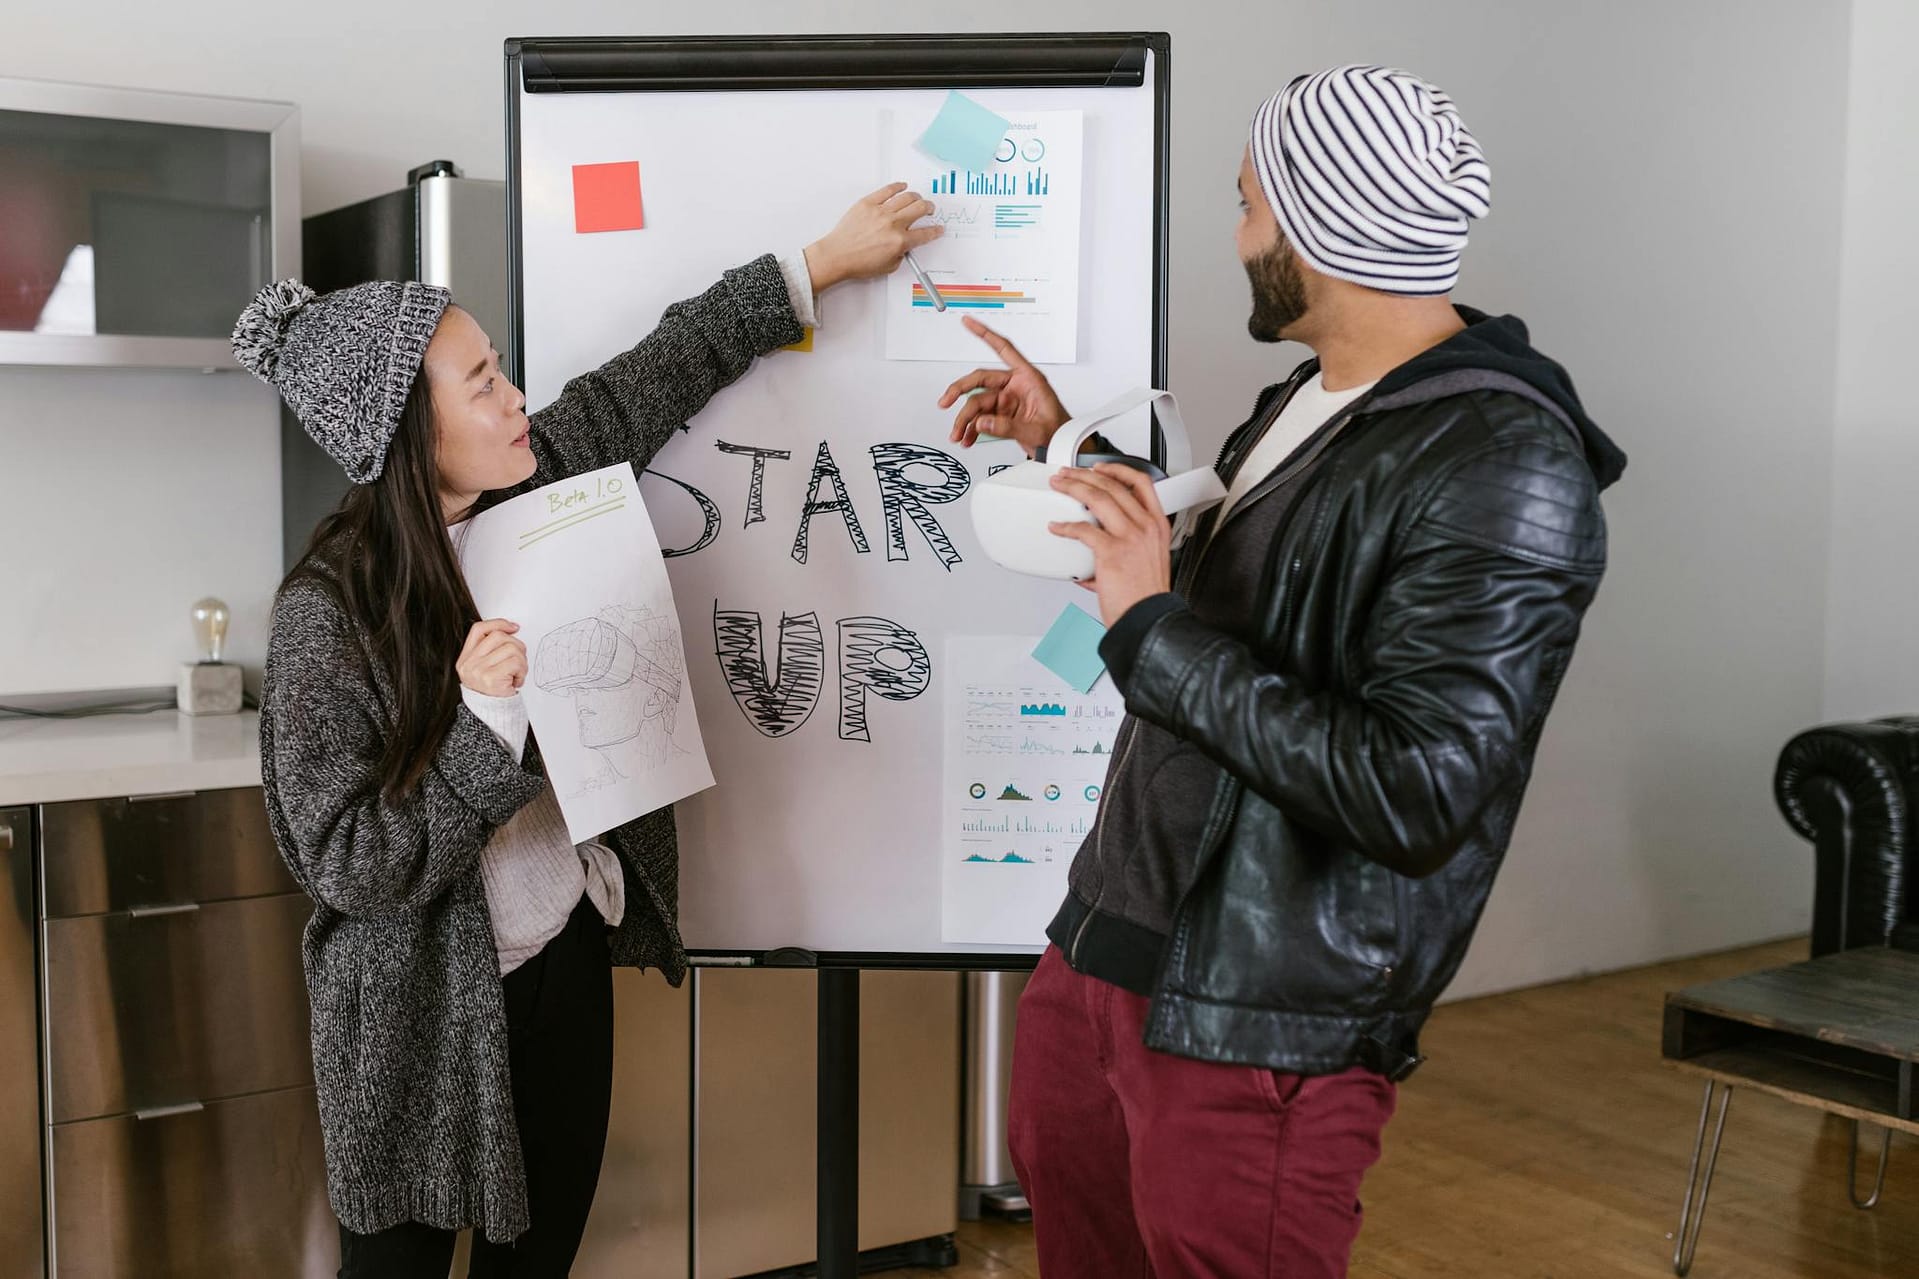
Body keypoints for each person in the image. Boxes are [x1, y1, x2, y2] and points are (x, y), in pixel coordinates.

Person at [939, 65, 1627, 1277]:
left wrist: (1148, 627)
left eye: (1250, 204)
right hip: (1107, 951)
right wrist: (1064, 448)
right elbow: (1245, 589)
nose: (1241, 234)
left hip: (1256, 1019)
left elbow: (1413, 789)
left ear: (1323, 223)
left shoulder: (1505, 463)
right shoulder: (1313, 398)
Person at [240, 183, 938, 1278]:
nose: (517, 399)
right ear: (409, 430)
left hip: (560, 967)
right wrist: (480, 721)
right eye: (483, 385)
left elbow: (662, 364)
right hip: (416, 1019)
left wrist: (819, 263)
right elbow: (352, 867)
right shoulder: (327, 613)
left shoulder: (538, 481)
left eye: (502, 369)